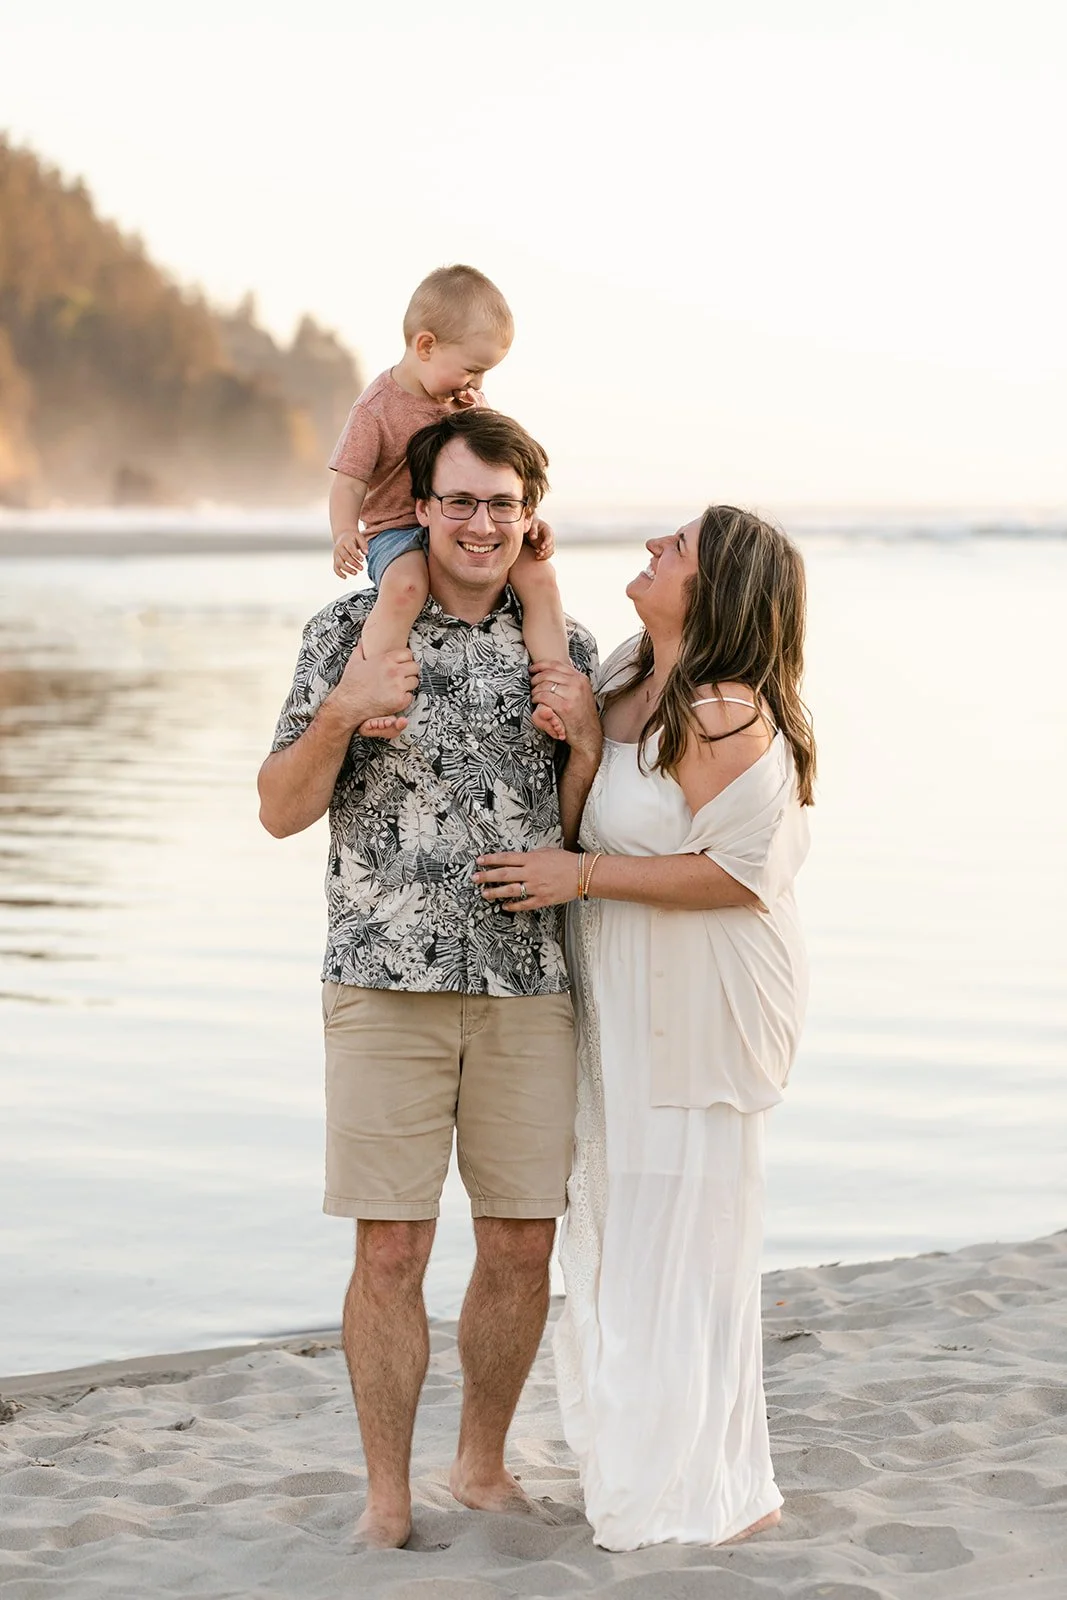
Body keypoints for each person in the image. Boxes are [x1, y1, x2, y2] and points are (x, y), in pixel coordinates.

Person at [257, 407, 598, 1551]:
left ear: (528, 516)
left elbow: (584, 833)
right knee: (390, 1246)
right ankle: (387, 1496)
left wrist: (586, 743)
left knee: (519, 1243)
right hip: (381, 979)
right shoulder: (347, 632)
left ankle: (484, 1464)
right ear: (420, 507)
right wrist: (344, 715)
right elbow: (277, 809)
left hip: (525, 986)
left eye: (502, 504)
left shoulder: (567, 647)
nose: (480, 523)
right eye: (458, 499)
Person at [473, 505, 815, 1550]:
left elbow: (734, 874)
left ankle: (699, 1486)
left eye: (678, 548)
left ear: (711, 592)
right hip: (620, 986)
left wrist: (574, 874)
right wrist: (538, 593)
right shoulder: (627, 673)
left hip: (695, 999)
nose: (655, 548)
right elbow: (587, 792)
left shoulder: (724, 712)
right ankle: (645, 1459)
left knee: (680, 1243)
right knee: (624, 1236)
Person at [328, 263, 566, 737]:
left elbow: (503, 466)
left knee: (539, 574)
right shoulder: (376, 409)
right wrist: (343, 532)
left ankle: (559, 686)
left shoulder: (465, 401)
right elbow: (349, 481)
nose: (476, 385)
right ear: (426, 346)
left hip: (454, 521)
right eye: (471, 370)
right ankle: (373, 688)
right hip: (396, 529)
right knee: (406, 589)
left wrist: (527, 520)